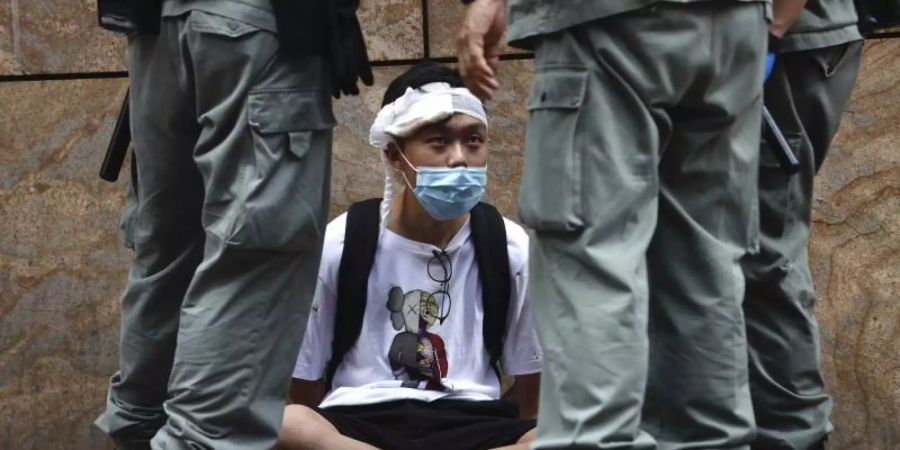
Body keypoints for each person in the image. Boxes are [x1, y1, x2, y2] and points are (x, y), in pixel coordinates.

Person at [457, 0, 804, 448]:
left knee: (590, 261)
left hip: (608, 21)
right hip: (736, 24)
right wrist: (768, 26)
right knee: (705, 264)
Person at [94, 0, 370, 448]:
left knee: (167, 251)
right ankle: (199, 440)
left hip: (155, 24)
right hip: (256, 24)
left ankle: (141, 429)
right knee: (254, 254)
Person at [276, 61, 543, 450]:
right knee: (287, 424)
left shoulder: (510, 245)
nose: (459, 158)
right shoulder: (342, 241)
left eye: (473, 140)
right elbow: (305, 384)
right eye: (438, 141)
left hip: (472, 424)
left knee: (566, 436)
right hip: (360, 424)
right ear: (394, 154)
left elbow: (531, 390)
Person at [743, 1, 864, 449]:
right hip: (777, 38)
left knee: (762, 248)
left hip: (784, 42)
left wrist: (769, 33)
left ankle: (792, 435)